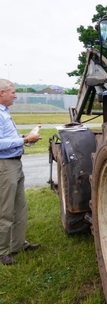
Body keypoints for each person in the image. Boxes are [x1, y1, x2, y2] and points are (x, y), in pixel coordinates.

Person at [0, 79, 42, 266]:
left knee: (20, 208)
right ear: (1, 93)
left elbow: (7, 138)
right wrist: (23, 141)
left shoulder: (5, 113)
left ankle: (18, 244)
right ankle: (2, 252)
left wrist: (25, 137)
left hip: (15, 164)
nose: (15, 95)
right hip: (5, 166)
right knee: (5, 211)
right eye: (12, 91)